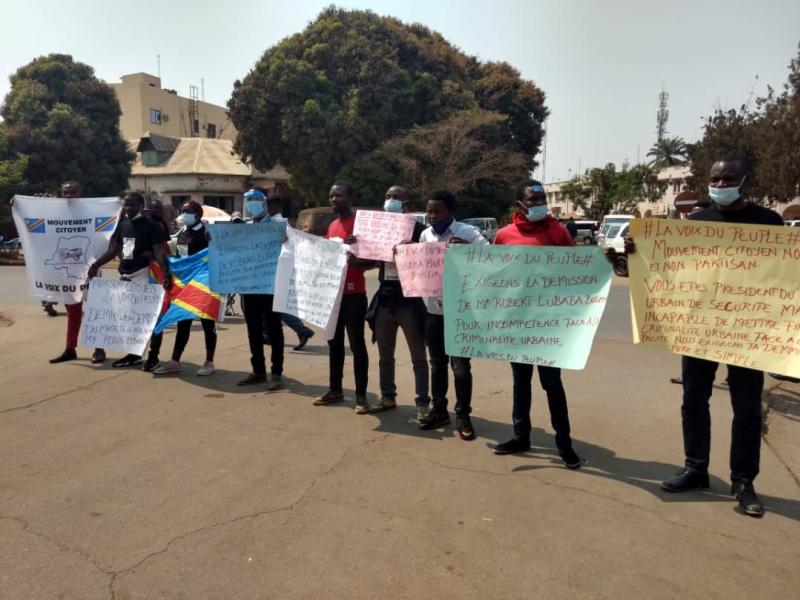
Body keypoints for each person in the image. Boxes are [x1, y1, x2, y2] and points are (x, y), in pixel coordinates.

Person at [616, 158, 782, 517]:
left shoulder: (770, 223)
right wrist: (638, 253)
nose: (721, 184)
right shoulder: (694, 224)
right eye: (715, 178)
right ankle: (695, 468)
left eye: (729, 178)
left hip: (747, 329)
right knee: (694, 398)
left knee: (747, 408)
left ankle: (744, 481)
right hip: (699, 328)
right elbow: (670, 273)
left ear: (744, 180)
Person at [492, 180, 582, 468]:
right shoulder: (504, 235)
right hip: (517, 323)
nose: (539, 203)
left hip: (548, 323)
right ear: (520, 204)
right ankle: (521, 436)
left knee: (552, 383)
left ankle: (564, 443)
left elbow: (576, 271)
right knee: (521, 381)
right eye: (533, 199)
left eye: (542, 198)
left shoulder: (558, 231)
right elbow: (494, 275)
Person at [418, 189, 488, 439]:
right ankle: (439, 409)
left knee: (460, 367)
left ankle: (463, 414)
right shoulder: (425, 235)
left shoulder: (467, 233)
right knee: (436, 364)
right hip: (433, 310)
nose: (432, 216)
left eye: (437, 211)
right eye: (429, 211)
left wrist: (469, 248)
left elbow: (490, 259)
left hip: (461, 311)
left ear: (450, 212)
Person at [364, 185, 430, 419]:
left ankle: (423, 403)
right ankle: (387, 396)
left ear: (406, 205)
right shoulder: (376, 229)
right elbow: (366, 262)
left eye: (396, 198)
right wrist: (356, 246)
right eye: (387, 196)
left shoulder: (420, 230)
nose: (390, 200)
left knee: (418, 355)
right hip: (384, 298)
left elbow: (430, 260)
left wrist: (414, 250)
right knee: (384, 354)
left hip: (410, 300)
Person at [87, 192, 172, 368]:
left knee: (151, 319)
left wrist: (166, 275)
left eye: (131, 205)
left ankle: (153, 357)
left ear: (141, 205)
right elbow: (117, 250)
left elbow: (159, 252)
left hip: (144, 276)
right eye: (125, 205)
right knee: (128, 319)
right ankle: (134, 355)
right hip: (125, 277)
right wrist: (96, 265)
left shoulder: (151, 226)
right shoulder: (124, 225)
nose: (127, 208)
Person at [313, 182, 371, 414]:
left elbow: (373, 260)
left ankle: (361, 396)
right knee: (334, 343)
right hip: (332, 295)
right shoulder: (332, 225)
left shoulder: (361, 224)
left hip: (354, 294)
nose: (334, 199)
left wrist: (359, 262)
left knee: (357, 346)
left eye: (339, 195)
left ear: (350, 198)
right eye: (331, 195)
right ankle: (335, 390)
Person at [152, 200, 217, 376]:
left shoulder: (208, 233)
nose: (183, 213)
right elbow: (181, 258)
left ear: (198, 215)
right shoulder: (183, 234)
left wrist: (214, 243)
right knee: (183, 322)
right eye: (182, 210)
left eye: (187, 211)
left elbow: (217, 254)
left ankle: (209, 361)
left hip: (204, 285)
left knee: (207, 323)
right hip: (186, 285)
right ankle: (175, 361)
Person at [49, 181, 106, 365]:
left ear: (80, 193)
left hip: (90, 270)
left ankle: (98, 348)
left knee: (94, 310)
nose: (68, 196)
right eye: (65, 192)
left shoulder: (91, 212)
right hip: (67, 271)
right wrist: (18, 204)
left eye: (72, 192)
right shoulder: (55, 213)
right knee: (73, 311)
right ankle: (70, 348)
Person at [236, 189, 285, 390]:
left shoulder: (278, 226)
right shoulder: (243, 228)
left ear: (265, 203)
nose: (253, 204)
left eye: (256, 200)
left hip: (271, 287)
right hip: (250, 287)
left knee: (274, 330)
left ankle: (276, 373)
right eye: (249, 201)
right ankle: (258, 371)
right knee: (253, 330)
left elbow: (289, 251)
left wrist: (286, 242)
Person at [266, 195, 315, 350]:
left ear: (276, 207)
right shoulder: (272, 223)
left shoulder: (280, 225)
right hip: (272, 272)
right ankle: (268, 334)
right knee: (273, 307)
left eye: (270, 206)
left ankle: (302, 330)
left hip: (278, 272)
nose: (267, 209)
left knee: (278, 306)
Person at [141, 198, 175, 371]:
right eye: (154, 208)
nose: (157, 211)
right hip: (139, 273)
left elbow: (163, 248)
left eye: (159, 209)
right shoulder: (137, 225)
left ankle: (153, 356)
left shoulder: (159, 225)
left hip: (156, 272)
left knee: (156, 318)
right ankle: (136, 353)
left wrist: (166, 269)